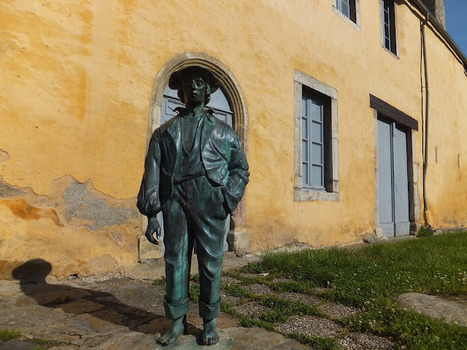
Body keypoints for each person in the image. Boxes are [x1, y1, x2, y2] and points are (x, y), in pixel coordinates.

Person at [137, 66, 249, 346]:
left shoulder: (224, 133)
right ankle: (177, 321)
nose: (194, 87)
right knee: (175, 259)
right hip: (175, 199)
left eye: (200, 83)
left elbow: (240, 170)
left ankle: (210, 322)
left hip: (210, 197)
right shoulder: (164, 133)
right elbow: (152, 172)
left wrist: (226, 198)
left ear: (209, 90)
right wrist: (152, 215)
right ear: (181, 90)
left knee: (211, 261)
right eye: (189, 83)